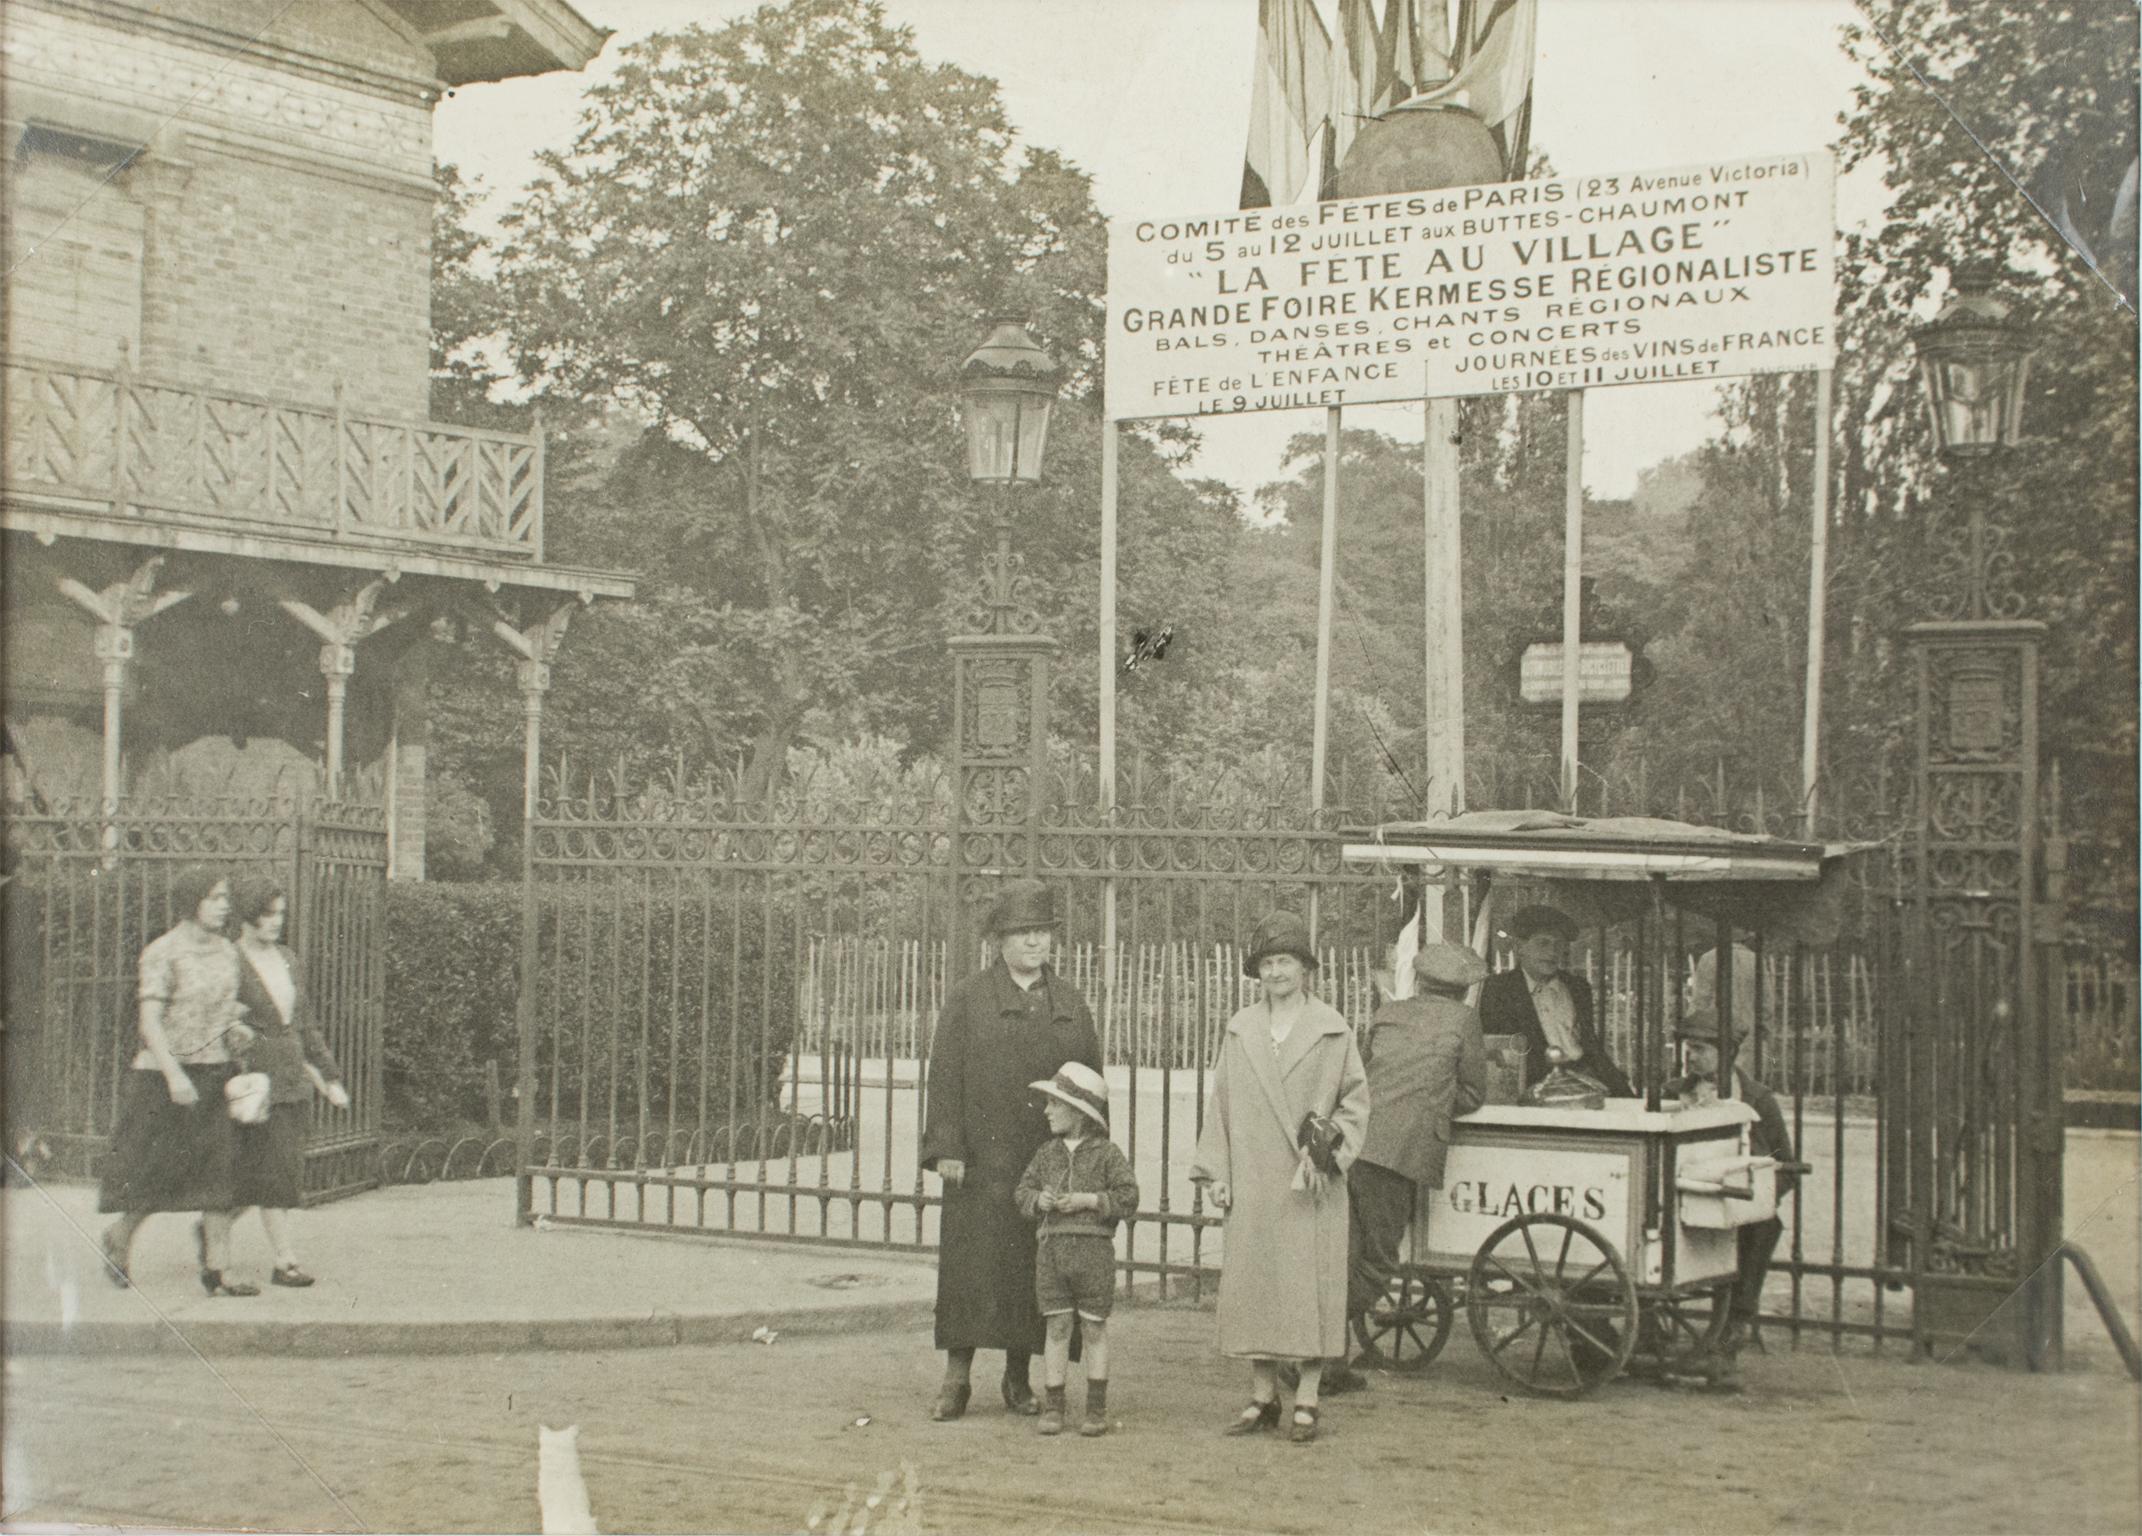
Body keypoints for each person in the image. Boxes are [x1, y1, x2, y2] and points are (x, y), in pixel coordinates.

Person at [919, 878, 1102, 1422]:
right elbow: (944, 1076)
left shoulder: (1070, 1003)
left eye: (1041, 933)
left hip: (1046, 1163)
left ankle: (1019, 1379)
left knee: (1036, 1271)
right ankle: (957, 1379)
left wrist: (1087, 1157)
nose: (1033, 944)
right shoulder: (968, 998)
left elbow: (1092, 1085)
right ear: (998, 940)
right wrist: (946, 1148)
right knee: (972, 1272)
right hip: (981, 1163)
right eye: (1022, 933)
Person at [1189, 910, 1369, 1445]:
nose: (1276, 972)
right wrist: (1216, 1172)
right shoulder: (1240, 1029)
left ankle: (1308, 1397)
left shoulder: (1334, 1030)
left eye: (1285, 961)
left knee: (1307, 1290)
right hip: (1252, 1179)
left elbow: (1356, 1104)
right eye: (1267, 963)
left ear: (1306, 968)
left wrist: (1327, 1149)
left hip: (1307, 1185)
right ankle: (1263, 1396)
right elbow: (1219, 1103)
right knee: (1257, 1289)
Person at [1335, 940, 1490, 1391]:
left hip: (1357, 1142)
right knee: (1380, 1261)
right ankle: (1313, 1345)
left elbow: (1363, 1075)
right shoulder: (1465, 1020)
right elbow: (1474, 1093)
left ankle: (1325, 1358)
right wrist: (1432, 1106)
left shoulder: (1388, 1014)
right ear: (1463, 991)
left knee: (1349, 1254)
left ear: (1419, 981)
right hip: (1401, 1151)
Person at [97, 865, 257, 1295]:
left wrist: (236, 1031)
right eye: (214, 897)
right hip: (163, 1076)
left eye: (225, 897)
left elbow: (225, 1010)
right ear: (191, 902)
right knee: (154, 1175)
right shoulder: (162, 951)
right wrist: (173, 1076)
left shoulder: (227, 952)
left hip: (216, 1072)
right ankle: (120, 1236)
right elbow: (150, 1020)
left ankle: (218, 1271)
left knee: (219, 1174)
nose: (224, 905)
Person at [223, 876, 352, 1287]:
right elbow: (220, 1021)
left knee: (269, 1171)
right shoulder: (229, 960)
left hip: (292, 1076)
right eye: (267, 914)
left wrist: (328, 1075)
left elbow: (305, 1025)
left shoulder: (288, 959)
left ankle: (214, 1228)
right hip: (253, 1080)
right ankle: (284, 1260)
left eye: (280, 913)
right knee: (273, 1170)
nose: (276, 921)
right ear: (246, 916)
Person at [1667, 1004, 1799, 1389]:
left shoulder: (1758, 1099)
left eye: (1702, 1049)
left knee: (1763, 1226)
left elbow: (1784, 1165)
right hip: (1687, 1195)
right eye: (1689, 1048)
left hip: (1740, 1201)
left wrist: (1756, 1200)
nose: (1692, 1056)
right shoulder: (1673, 1093)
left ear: (1727, 1054)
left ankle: (1732, 1331)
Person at [1013, 1061, 1140, 1438]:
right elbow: (1021, 1193)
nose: (1047, 1111)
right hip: (1051, 1254)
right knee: (1056, 1326)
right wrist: (1040, 1200)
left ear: (1079, 1112)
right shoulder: (1045, 1154)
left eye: (1055, 1104)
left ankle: (1096, 1409)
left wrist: (1088, 1199)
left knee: (1094, 1328)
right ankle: (1055, 1405)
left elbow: (1128, 1197)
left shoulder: (1107, 1154)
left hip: (1093, 1255)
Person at [1477, 904, 1632, 1098]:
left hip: (1585, 1082)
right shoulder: (1498, 989)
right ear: (1520, 948)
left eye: (1558, 944)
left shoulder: (1577, 987)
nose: (1552, 952)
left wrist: (1620, 1089)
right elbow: (1498, 1053)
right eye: (1543, 943)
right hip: (1533, 1090)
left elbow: (1591, 1045)